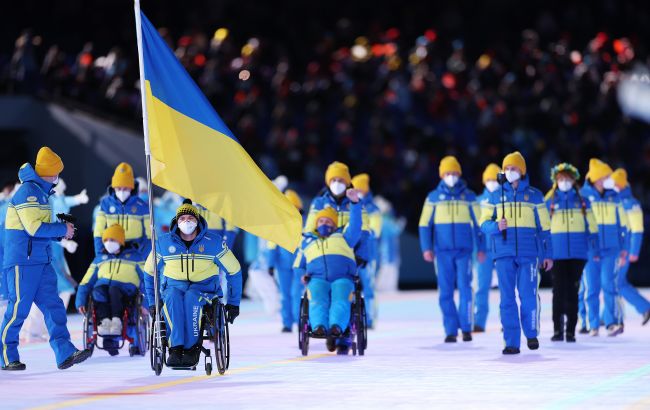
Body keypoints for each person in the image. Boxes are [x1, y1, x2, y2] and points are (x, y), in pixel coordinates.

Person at [0, 147, 91, 370]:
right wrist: (61, 229)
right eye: (57, 172)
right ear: (50, 173)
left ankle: (65, 352)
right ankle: (6, 355)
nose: (58, 177)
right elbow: (34, 228)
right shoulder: (28, 193)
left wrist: (62, 233)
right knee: (18, 309)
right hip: (23, 262)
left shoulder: (42, 194)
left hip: (40, 260)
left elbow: (43, 230)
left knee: (54, 307)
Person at [144, 199, 242, 367]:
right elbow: (149, 272)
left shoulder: (214, 242)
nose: (186, 221)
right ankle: (175, 348)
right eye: (182, 218)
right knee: (173, 298)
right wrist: (152, 303)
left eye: (190, 218)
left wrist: (233, 303)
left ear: (197, 220)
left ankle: (191, 349)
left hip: (204, 290)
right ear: (176, 221)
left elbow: (234, 270)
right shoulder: (163, 243)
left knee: (191, 298)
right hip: (173, 287)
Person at [479, 151, 553, 354]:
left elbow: (545, 229)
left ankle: (531, 332)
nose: (510, 171)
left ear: (522, 171)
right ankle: (511, 342)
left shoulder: (535, 195)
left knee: (528, 295)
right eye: (508, 168)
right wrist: (496, 226)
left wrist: (547, 254)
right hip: (503, 254)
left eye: (514, 168)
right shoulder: (495, 196)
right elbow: (483, 224)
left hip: (529, 255)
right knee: (507, 299)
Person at [419, 156, 484, 342]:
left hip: (464, 252)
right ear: (441, 175)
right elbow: (424, 224)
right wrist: (426, 248)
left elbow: (480, 224)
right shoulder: (433, 198)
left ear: (460, 174)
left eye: (454, 173)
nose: (451, 176)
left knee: (465, 289)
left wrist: (482, 248)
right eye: (448, 173)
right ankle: (450, 330)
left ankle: (466, 327)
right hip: (442, 253)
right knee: (445, 292)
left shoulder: (469, 196)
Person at [294, 188, 363, 355]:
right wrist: (302, 275)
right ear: (316, 224)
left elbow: (355, 225)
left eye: (328, 222)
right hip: (317, 278)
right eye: (321, 221)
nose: (324, 224)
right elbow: (298, 264)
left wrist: (354, 203)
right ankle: (319, 326)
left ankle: (336, 327)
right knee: (316, 296)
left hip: (342, 277)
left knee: (341, 296)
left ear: (334, 225)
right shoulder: (308, 241)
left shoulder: (344, 237)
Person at [545, 163, 598, 342]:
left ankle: (571, 331)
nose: (564, 182)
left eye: (567, 179)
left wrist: (594, 249)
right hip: (557, 255)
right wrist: (544, 252)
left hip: (578, 254)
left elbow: (593, 228)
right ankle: (558, 330)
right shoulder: (550, 201)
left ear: (574, 180)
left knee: (573, 292)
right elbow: (543, 229)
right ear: (556, 181)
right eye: (561, 179)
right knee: (559, 291)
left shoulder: (583, 201)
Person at [76, 224, 145, 356]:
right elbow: (85, 282)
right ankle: (105, 323)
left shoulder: (135, 258)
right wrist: (80, 302)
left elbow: (146, 280)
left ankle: (117, 322)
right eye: (106, 240)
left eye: (112, 240)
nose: (108, 243)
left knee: (114, 289)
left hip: (127, 292)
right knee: (98, 291)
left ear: (120, 241)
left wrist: (146, 304)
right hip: (104, 290)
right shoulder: (100, 259)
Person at [579, 159, 627, 337]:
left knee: (609, 285)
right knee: (591, 288)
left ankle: (611, 323)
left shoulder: (614, 196)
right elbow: (582, 225)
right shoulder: (583, 196)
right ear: (598, 178)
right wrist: (590, 250)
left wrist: (624, 247)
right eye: (606, 176)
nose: (609, 179)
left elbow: (623, 223)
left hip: (611, 249)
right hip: (591, 251)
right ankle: (592, 324)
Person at [611, 168, 650, 325]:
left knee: (617, 282)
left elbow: (637, 229)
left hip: (624, 250)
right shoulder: (614, 201)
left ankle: (644, 307)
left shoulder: (631, 204)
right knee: (613, 282)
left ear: (619, 185)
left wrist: (634, 251)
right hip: (614, 249)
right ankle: (608, 315)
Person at [93, 162, 151, 262]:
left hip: (135, 253)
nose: (122, 191)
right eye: (118, 188)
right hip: (111, 251)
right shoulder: (105, 204)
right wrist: (100, 253)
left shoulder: (142, 206)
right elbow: (98, 231)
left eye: (125, 188)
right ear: (113, 187)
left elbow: (149, 235)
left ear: (132, 188)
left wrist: (144, 257)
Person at [267, 189, 304, 332]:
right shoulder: (278, 226)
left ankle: (300, 321)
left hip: (299, 266)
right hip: (283, 266)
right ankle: (288, 323)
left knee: (296, 293)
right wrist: (270, 264)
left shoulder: (305, 224)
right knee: (285, 294)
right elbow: (272, 245)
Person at [351, 173, 382, 328]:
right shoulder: (349, 206)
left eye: (360, 189)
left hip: (369, 255)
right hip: (351, 254)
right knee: (349, 286)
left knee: (369, 287)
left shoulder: (373, 209)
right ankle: (352, 317)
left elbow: (374, 232)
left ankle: (369, 318)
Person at [473, 163, 501, 332]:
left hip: (502, 249)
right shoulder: (478, 202)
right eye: (488, 179)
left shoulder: (504, 198)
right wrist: (480, 249)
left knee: (506, 287)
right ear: (484, 181)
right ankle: (479, 321)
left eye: (494, 179)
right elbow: (476, 229)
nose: (492, 182)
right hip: (485, 252)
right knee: (482, 287)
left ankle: (506, 321)